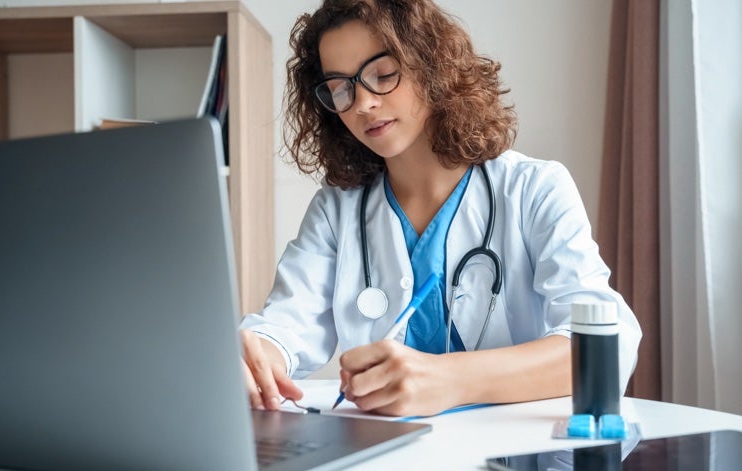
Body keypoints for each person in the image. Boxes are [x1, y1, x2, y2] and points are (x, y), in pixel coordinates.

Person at [239, 0, 642, 418]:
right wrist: (257, 356)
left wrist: (451, 379)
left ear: (430, 65)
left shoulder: (533, 189)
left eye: (382, 74)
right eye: (341, 89)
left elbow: (607, 346)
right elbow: (285, 326)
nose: (362, 104)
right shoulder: (335, 209)